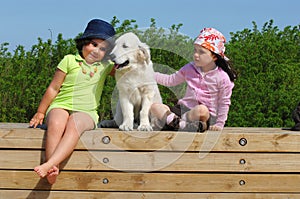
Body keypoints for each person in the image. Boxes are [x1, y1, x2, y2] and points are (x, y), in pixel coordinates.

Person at [29, 19, 116, 184]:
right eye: (93, 44)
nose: (96, 50)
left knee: (75, 124)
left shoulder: (106, 66)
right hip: (61, 104)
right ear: (83, 43)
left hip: (87, 112)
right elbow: (53, 88)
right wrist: (41, 111)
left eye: (103, 48)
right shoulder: (69, 60)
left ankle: (50, 164)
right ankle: (53, 167)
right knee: (56, 122)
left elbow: (126, 72)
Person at [150, 28, 237, 132]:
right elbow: (170, 80)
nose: (196, 55)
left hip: (204, 115)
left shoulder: (222, 78)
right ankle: (182, 125)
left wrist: (219, 123)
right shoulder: (189, 68)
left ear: (214, 56)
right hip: (182, 109)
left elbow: (224, 102)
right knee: (155, 107)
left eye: (201, 52)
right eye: (195, 50)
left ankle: (172, 123)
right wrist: (150, 75)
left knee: (202, 110)